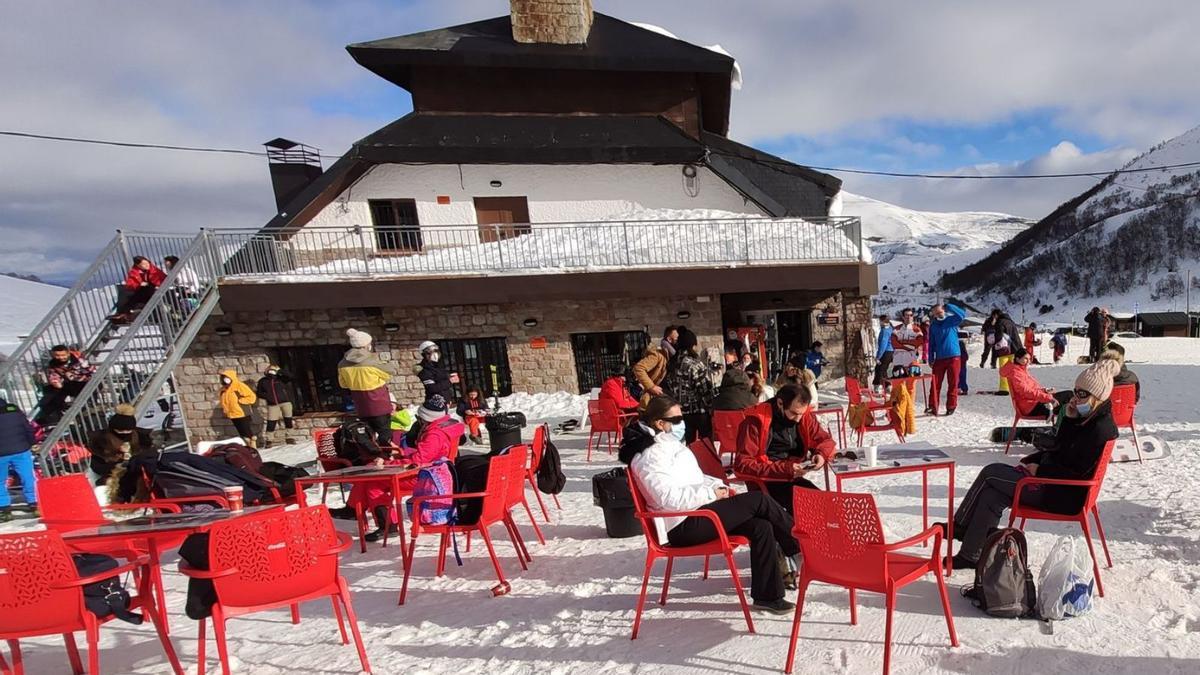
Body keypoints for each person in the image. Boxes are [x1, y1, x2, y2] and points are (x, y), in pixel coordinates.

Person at [621, 396, 800, 614]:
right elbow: (668, 500)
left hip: (699, 512)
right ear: (659, 423)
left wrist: (718, 487)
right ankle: (801, 546)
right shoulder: (648, 456)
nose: (681, 423)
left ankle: (768, 595)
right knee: (758, 500)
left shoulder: (669, 445)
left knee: (760, 525)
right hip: (681, 525)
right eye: (676, 419)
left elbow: (695, 478)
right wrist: (710, 493)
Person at [943, 360, 1119, 568]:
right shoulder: (1087, 419)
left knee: (990, 472)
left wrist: (1041, 469)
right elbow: (1059, 449)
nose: (1074, 398)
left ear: (1098, 397)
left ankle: (961, 526)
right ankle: (971, 554)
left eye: (1082, 394)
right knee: (992, 495)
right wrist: (1067, 423)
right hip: (1054, 484)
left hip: (1062, 493)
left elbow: (1077, 473)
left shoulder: (1099, 430)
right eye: (1075, 391)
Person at [341, 394, 464, 542]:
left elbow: (418, 461)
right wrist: (401, 453)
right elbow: (427, 454)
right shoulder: (447, 425)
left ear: (427, 417)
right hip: (436, 474)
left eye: (420, 418)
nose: (419, 421)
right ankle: (353, 509)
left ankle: (383, 523)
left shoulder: (435, 434)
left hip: (426, 477)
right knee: (370, 477)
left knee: (373, 482)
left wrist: (388, 463)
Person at [734, 384, 836, 514]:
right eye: (794, 413)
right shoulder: (755, 421)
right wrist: (785, 469)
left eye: (802, 414)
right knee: (810, 507)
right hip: (766, 479)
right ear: (780, 403)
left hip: (792, 476)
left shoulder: (803, 415)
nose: (798, 419)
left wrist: (821, 454)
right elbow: (742, 464)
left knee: (823, 504)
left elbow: (826, 440)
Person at [338, 329, 395, 445]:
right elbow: (390, 373)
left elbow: (343, 384)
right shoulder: (373, 361)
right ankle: (386, 456)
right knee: (385, 434)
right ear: (366, 345)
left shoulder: (342, 364)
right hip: (379, 404)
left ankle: (371, 456)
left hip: (361, 406)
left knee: (367, 434)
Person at [661, 329, 716, 443]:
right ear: (692, 345)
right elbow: (705, 389)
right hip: (699, 411)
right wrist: (711, 405)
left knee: (688, 444)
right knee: (706, 444)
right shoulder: (695, 364)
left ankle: (689, 460)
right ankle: (707, 460)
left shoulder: (672, 365)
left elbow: (669, 388)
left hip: (682, 412)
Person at [87, 404, 154, 485]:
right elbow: (98, 461)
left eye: (128, 431)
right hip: (109, 470)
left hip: (134, 468)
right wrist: (118, 460)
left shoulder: (138, 436)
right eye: (120, 431)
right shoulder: (102, 439)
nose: (124, 433)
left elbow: (148, 449)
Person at [35, 345, 96, 426]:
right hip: (69, 383)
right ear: (53, 355)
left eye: (63, 355)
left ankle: (88, 407)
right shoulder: (53, 364)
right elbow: (53, 375)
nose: (60, 358)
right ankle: (51, 415)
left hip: (84, 382)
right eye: (57, 355)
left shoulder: (79, 360)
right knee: (51, 390)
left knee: (89, 386)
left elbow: (91, 372)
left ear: (68, 354)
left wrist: (75, 375)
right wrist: (56, 382)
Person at [0, 398, 38, 521]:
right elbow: (28, 428)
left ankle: (4, 509)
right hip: (21, 450)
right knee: (27, 477)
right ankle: (34, 504)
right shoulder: (15, 411)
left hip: (1, 454)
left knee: (0, 481)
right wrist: (31, 442)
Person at [927, 303, 966, 416]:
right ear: (933, 314)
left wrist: (949, 306)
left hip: (954, 357)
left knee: (953, 383)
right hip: (939, 358)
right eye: (936, 313)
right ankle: (932, 406)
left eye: (940, 312)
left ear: (943, 310)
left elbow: (962, 314)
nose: (939, 314)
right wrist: (930, 357)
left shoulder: (951, 320)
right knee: (935, 384)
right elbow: (931, 344)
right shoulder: (933, 326)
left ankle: (951, 406)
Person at [1000, 348, 1057, 419]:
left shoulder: (1021, 370)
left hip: (1034, 402)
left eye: (1029, 359)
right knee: (1066, 399)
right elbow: (1026, 391)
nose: (1028, 361)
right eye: (1025, 359)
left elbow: (1031, 389)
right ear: (1017, 359)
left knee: (1067, 396)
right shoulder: (1016, 373)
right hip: (1030, 407)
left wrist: (1044, 390)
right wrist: (1048, 398)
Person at [109, 256, 167, 323]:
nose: (146, 265)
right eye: (143, 264)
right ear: (138, 266)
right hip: (141, 292)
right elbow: (130, 284)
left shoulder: (154, 271)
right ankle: (122, 313)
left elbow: (163, 281)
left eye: (147, 263)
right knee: (125, 291)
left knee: (140, 292)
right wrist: (139, 284)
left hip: (153, 291)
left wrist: (149, 284)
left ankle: (123, 313)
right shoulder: (135, 272)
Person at [255, 365, 295, 447]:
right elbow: (259, 393)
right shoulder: (263, 381)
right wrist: (268, 396)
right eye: (270, 369)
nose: (271, 371)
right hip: (272, 405)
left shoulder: (281, 379)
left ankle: (289, 437)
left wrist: (280, 370)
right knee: (271, 422)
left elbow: (291, 376)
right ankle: (269, 440)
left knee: (288, 420)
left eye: (273, 370)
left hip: (285, 403)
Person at [218, 369, 258, 447]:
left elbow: (251, 396)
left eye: (227, 377)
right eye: (224, 378)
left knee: (247, 432)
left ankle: (253, 447)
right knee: (242, 433)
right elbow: (224, 402)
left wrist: (241, 401)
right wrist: (226, 411)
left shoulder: (239, 386)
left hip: (242, 413)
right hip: (232, 414)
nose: (225, 379)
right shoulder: (223, 390)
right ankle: (248, 447)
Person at [632, 335, 671, 411]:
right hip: (656, 400)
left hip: (668, 400)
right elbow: (638, 368)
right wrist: (651, 386)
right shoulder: (658, 356)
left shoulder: (673, 357)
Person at [991, 310, 1023, 393]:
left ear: (996, 315)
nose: (993, 318)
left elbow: (999, 336)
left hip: (1005, 350)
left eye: (993, 316)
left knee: (1004, 369)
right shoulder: (1011, 322)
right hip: (1015, 349)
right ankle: (1015, 387)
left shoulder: (1000, 322)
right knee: (1013, 369)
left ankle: (1004, 389)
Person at [890, 308, 924, 377]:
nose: (909, 317)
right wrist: (910, 345)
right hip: (898, 361)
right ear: (903, 317)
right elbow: (894, 344)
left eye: (911, 315)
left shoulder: (917, 329)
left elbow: (919, 343)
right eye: (906, 315)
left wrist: (902, 342)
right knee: (898, 383)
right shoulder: (896, 329)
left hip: (911, 361)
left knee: (911, 385)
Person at [873, 314, 894, 393]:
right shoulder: (890, 329)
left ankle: (878, 386)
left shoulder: (884, 331)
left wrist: (878, 356)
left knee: (879, 369)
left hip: (886, 352)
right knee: (884, 369)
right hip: (891, 352)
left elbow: (883, 344)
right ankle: (887, 386)